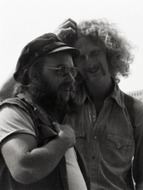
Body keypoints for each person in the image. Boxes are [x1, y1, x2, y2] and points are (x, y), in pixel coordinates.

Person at [57, 18, 143, 190]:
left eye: (95, 53)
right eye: (81, 57)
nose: (89, 62)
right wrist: (50, 40)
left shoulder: (138, 112)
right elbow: (7, 96)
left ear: (111, 55)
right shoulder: (61, 103)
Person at [0, 33, 90, 190]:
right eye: (61, 70)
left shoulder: (54, 120)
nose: (71, 79)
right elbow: (24, 169)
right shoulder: (12, 112)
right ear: (30, 76)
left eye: (72, 71)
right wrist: (63, 141)